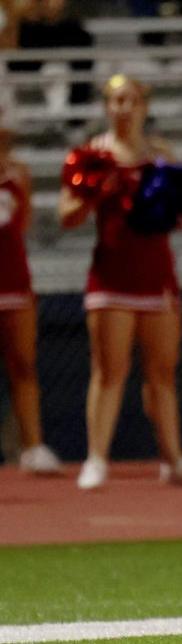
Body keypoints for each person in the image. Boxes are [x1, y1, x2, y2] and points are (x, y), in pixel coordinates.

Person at [58, 74, 182, 490]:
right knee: (109, 371)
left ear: (144, 106)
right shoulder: (92, 155)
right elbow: (66, 217)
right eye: (116, 100)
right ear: (106, 106)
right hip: (110, 276)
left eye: (131, 101)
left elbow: (181, 213)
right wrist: (94, 193)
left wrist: (179, 213)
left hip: (156, 275)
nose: (124, 108)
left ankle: (173, 459)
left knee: (162, 374)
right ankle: (96, 458)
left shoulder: (160, 154)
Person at [0, 111, 62, 474]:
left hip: (14, 283)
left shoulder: (19, 173)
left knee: (23, 366)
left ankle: (32, 447)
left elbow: (22, 225)